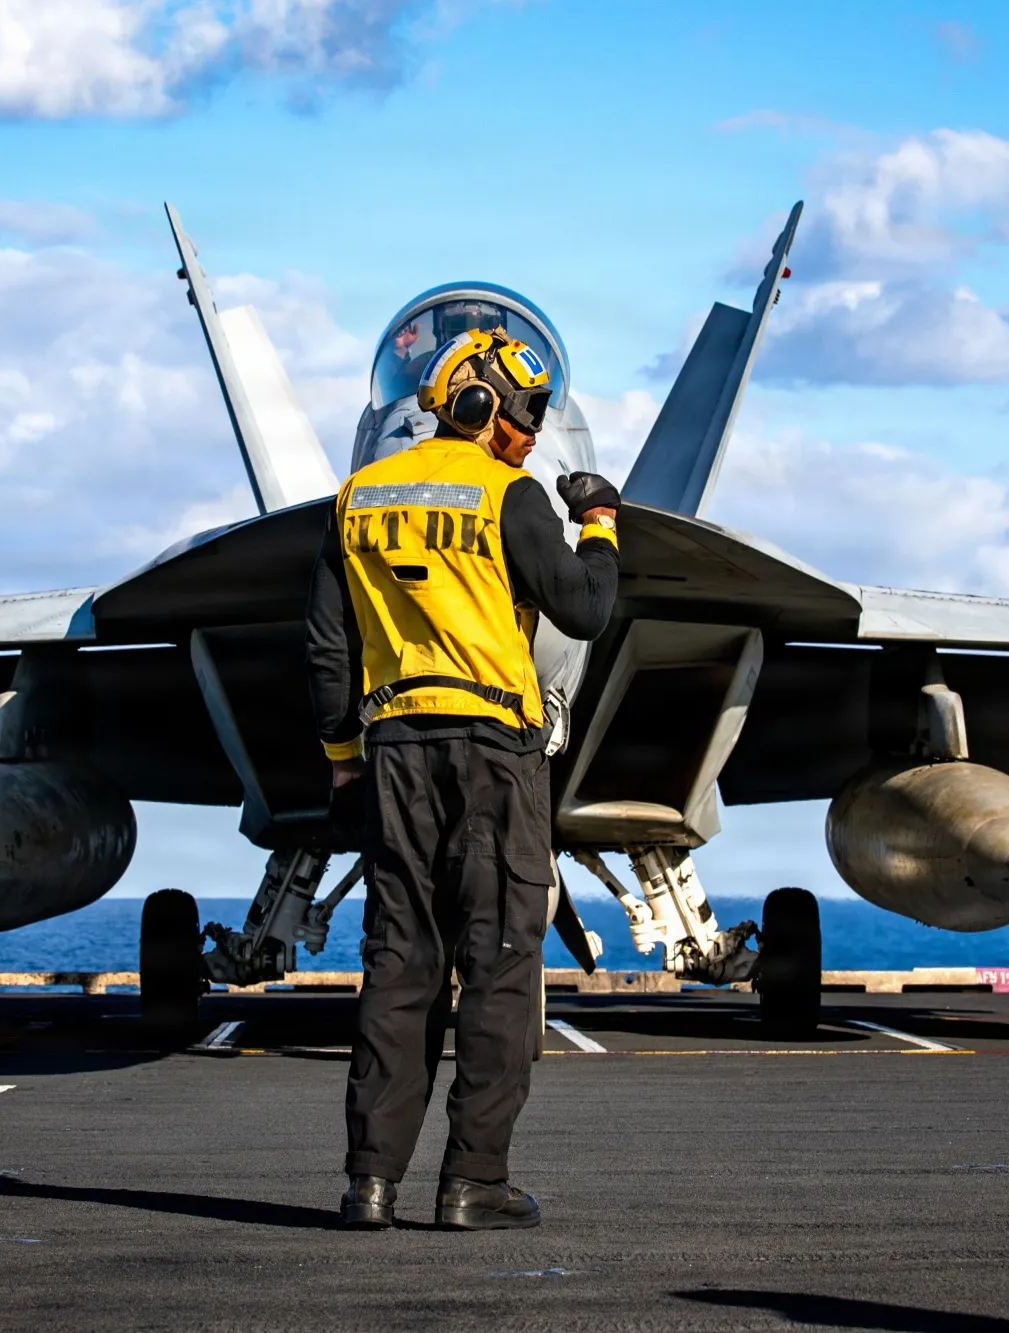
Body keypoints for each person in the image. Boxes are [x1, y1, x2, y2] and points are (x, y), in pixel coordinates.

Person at [306, 326, 621, 1231]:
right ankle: (473, 1183)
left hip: (395, 753)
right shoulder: (506, 494)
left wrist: (342, 763)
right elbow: (585, 608)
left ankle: (370, 1183)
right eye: (524, 411)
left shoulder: (356, 500)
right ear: (480, 406)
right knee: (500, 965)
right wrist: (600, 523)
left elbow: (327, 649)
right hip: (495, 756)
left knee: (398, 965)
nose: (531, 429)